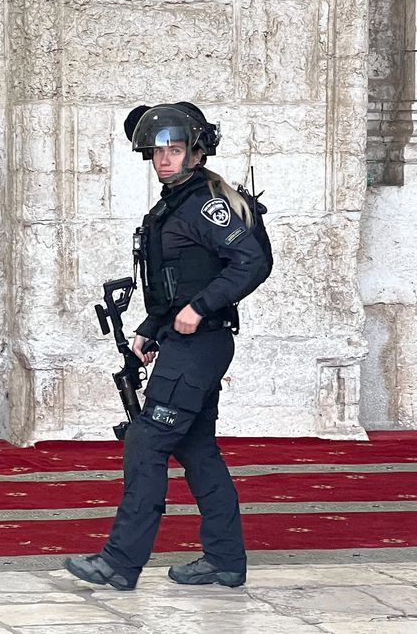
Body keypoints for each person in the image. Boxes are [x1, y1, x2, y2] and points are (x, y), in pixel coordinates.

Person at [65, 102, 272, 591]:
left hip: (201, 344)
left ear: (196, 153)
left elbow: (252, 262)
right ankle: (225, 561)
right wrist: (151, 326)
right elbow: (174, 282)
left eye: (175, 150)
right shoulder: (171, 206)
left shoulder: (206, 203)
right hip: (186, 341)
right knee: (197, 448)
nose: (164, 159)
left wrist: (200, 308)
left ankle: (119, 562)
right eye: (157, 151)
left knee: (146, 441)